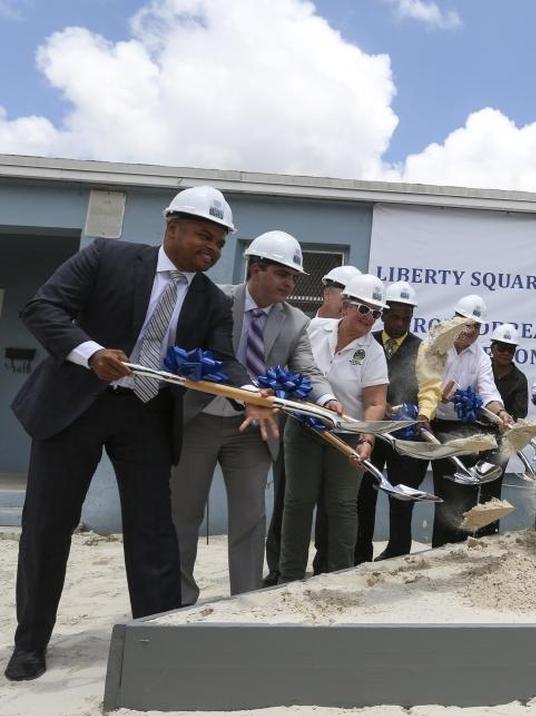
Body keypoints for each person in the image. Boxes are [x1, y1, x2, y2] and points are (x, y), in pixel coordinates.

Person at [5, 186, 272, 682]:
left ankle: (156, 634)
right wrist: (90, 352)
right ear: (171, 227)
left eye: (219, 243)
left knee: (154, 531)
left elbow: (223, 360)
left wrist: (252, 392)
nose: (210, 250)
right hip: (74, 406)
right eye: (203, 236)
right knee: (48, 526)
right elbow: (42, 309)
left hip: (145, 416)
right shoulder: (107, 256)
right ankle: (30, 643)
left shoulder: (211, 301)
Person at [170, 231, 337, 604]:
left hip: (254, 431)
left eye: (294, 277)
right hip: (198, 420)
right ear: (255, 268)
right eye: (282, 274)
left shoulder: (296, 321)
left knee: (249, 518)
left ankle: (245, 602)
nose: (290, 284)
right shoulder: (215, 300)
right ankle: (178, 600)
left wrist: (326, 400)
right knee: (183, 513)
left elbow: (307, 370)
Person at [277, 274, 388, 582]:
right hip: (303, 429)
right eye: (364, 309)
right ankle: (288, 578)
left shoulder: (374, 353)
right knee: (298, 502)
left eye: (376, 313)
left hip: (347, 437)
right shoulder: (313, 330)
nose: (370, 318)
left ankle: (339, 579)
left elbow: (376, 402)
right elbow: (291, 368)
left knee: (341, 505)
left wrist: (367, 440)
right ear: (345, 305)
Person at [417, 294, 513, 547]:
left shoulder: (480, 355)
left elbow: (487, 391)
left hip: (466, 429)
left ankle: (460, 549)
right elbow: (427, 382)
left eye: (477, 327)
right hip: (436, 424)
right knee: (447, 491)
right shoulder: (436, 342)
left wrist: (501, 413)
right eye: (466, 324)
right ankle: (440, 548)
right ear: (454, 320)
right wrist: (440, 396)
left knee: (467, 492)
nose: (470, 331)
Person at [358, 280, 430, 562]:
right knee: (364, 494)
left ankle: (398, 551)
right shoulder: (366, 341)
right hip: (370, 433)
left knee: (402, 497)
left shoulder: (421, 349)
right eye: (395, 316)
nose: (401, 323)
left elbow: (429, 388)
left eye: (407, 318)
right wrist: (377, 405)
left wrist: (423, 412)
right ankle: (359, 552)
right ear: (383, 314)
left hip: (405, 436)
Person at [482, 323, 530, 507]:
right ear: (492, 348)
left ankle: (488, 533)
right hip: (474, 435)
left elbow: (519, 414)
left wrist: (504, 421)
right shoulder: (482, 370)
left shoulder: (519, 379)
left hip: (501, 441)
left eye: (510, 349)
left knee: (492, 488)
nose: (505, 353)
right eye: (501, 348)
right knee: (467, 486)